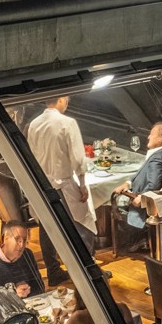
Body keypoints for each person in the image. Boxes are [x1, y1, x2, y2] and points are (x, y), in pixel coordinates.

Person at [26, 95, 97, 251]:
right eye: (66, 99)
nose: (67, 103)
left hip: (42, 185)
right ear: (60, 100)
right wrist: (83, 184)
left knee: (48, 227)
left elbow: (30, 155)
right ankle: (88, 264)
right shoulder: (67, 123)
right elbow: (78, 159)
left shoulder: (34, 124)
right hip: (63, 184)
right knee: (81, 223)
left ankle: (53, 270)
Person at [111, 121, 162, 253]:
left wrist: (141, 197)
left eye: (152, 134)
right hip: (158, 201)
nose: (148, 137)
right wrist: (128, 183)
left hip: (147, 206)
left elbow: (154, 185)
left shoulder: (157, 158)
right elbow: (142, 173)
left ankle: (135, 238)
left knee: (111, 201)